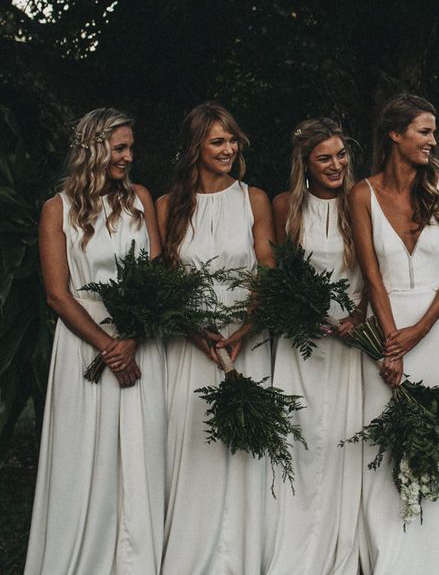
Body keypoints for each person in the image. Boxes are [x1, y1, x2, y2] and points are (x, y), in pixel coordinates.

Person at [349, 93, 439, 574]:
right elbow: (372, 276)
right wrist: (392, 343)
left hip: (438, 327)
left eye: (433, 132)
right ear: (394, 134)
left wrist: (418, 332)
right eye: (424, 131)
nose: (433, 140)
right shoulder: (361, 194)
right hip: (388, 332)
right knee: (388, 437)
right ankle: (393, 553)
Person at [26, 108, 166, 574]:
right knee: (86, 452)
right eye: (119, 148)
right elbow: (57, 293)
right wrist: (108, 346)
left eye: (130, 147)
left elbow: (158, 276)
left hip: (139, 341)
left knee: (139, 450)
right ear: (93, 149)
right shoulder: (58, 209)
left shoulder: (141, 200)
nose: (129, 156)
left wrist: (132, 337)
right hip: (84, 341)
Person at [157, 102, 276, 575]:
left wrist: (244, 329)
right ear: (195, 148)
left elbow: (266, 270)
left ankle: (242, 558)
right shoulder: (168, 206)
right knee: (194, 451)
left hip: (244, 344)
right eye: (217, 141)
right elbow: (163, 281)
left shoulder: (255, 199)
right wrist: (192, 331)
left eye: (232, 140)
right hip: (190, 347)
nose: (228, 149)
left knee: (245, 452)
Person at [264, 118, 367, 575]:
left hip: (348, 343)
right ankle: (294, 544)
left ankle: (341, 544)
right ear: (305, 163)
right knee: (300, 440)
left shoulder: (361, 202)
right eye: (325, 158)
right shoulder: (285, 206)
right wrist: (301, 314)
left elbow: (375, 270)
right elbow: (275, 276)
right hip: (300, 343)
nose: (336, 165)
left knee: (342, 441)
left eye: (341, 155)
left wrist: (359, 317)